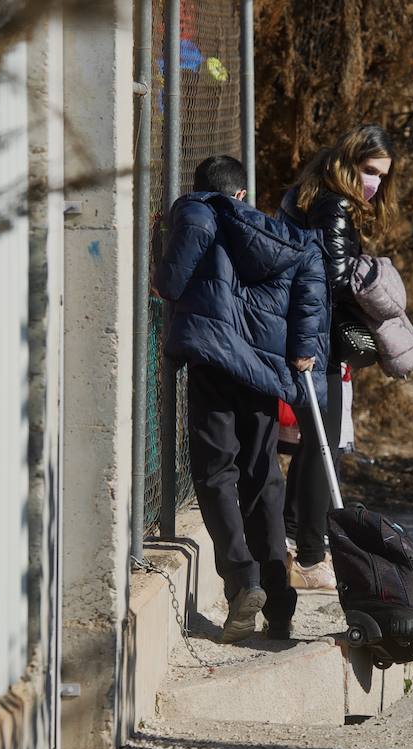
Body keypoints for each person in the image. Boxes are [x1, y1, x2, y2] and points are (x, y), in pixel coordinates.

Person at [154, 155, 329, 643]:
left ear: (201, 188)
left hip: (212, 362)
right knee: (263, 477)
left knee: (214, 474)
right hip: (264, 372)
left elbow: (167, 284)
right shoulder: (277, 234)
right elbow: (310, 284)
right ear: (243, 195)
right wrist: (300, 352)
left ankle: (242, 581)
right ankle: (279, 603)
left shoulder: (195, 211)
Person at [278, 124, 398, 591]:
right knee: (319, 444)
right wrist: (375, 283)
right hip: (319, 337)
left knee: (312, 442)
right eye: (370, 171)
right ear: (349, 163)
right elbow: (335, 276)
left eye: (382, 176)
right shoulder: (337, 204)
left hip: (300, 329)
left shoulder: (304, 194)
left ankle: (293, 539)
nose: (375, 183)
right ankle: (309, 556)